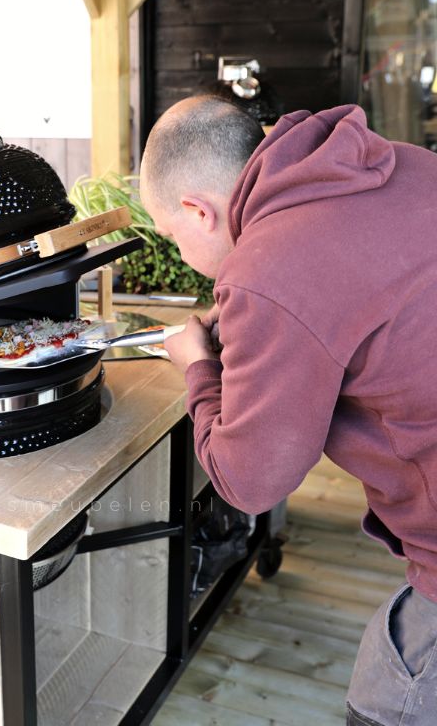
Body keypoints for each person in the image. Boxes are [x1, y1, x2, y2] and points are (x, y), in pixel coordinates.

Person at [139, 94, 437, 726]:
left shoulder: (269, 269)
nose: (184, 255)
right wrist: (264, 319)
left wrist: (198, 365)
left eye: (173, 235)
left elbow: (251, 482)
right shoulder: (403, 163)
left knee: (383, 709)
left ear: (197, 210)